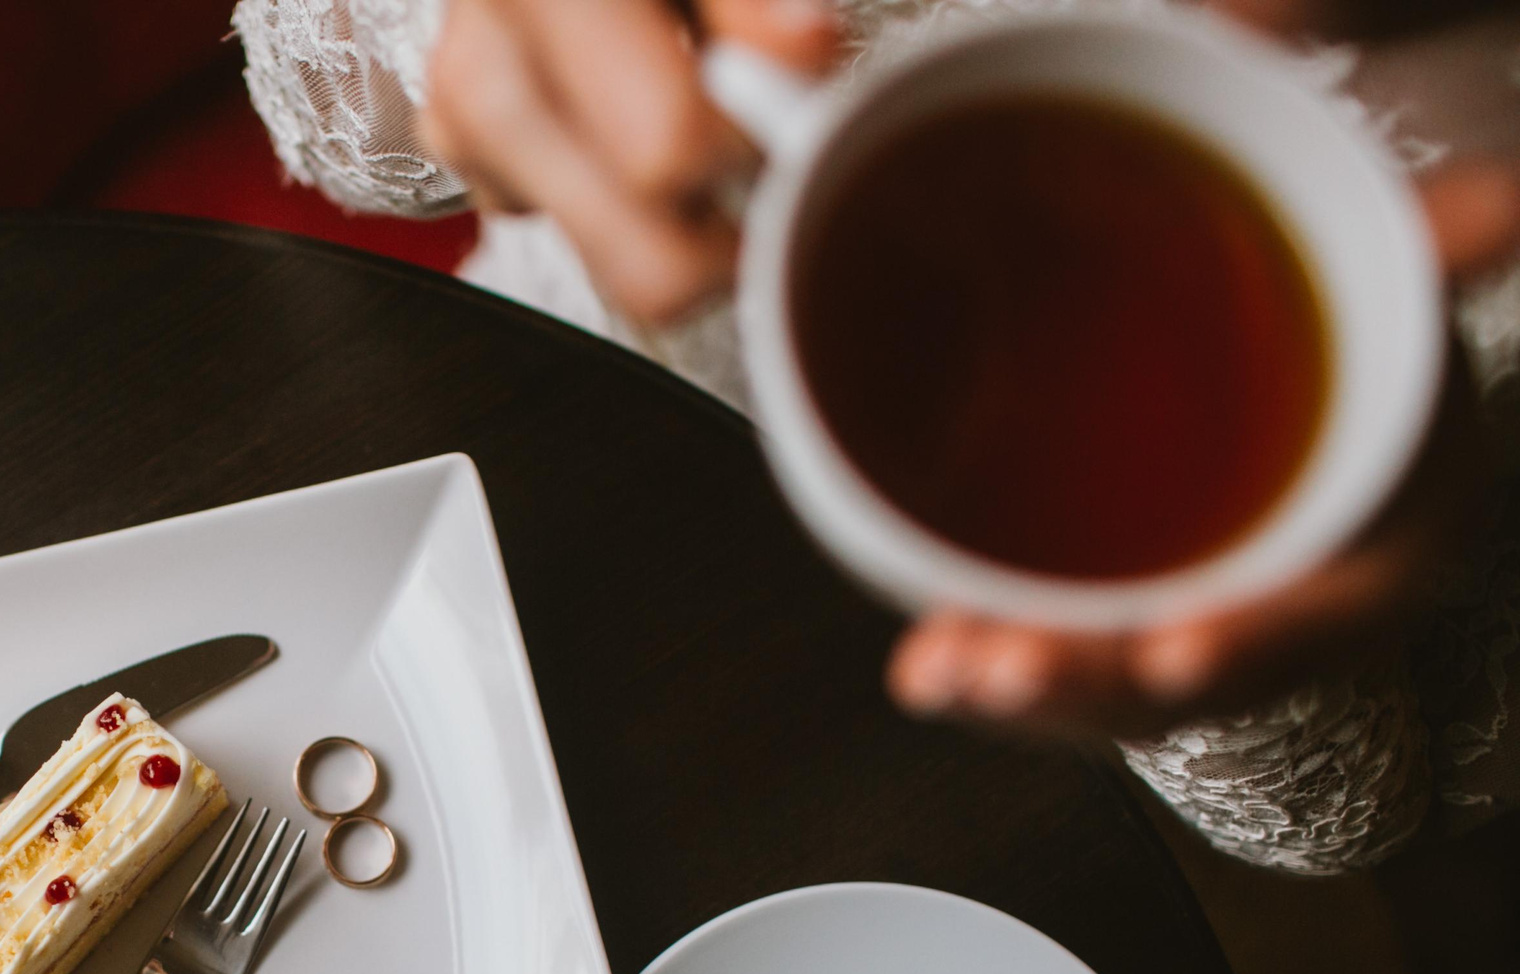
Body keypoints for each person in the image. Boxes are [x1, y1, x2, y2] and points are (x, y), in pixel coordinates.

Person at [235, 0, 1520, 871]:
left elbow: (1354, 813)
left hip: (994, 747)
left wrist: (1205, 602)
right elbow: (338, 128)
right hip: (545, 390)